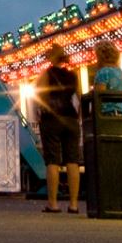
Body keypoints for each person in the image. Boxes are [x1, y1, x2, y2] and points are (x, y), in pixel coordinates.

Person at [36, 47, 82, 214]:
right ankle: (74, 204)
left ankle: (53, 203)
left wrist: (42, 108)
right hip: (71, 118)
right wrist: (78, 116)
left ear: (51, 57)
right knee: (73, 161)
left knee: (53, 161)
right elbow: (79, 96)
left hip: (52, 119)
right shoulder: (73, 74)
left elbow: (38, 94)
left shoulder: (47, 73)